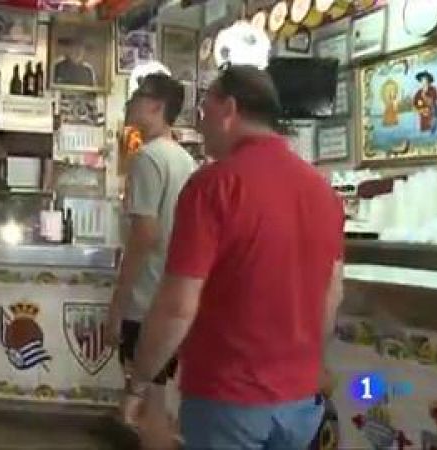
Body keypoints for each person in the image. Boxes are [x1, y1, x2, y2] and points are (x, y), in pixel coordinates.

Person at [128, 65, 345, 449]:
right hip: (300, 403)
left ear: (228, 108)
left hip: (227, 399)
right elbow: (331, 297)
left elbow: (178, 306)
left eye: (205, 110)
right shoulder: (321, 191)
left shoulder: (214, 185)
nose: (201, 123)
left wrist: (140, 381)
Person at [105, 74, 197, 443]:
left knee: (145, 402)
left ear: (157, 107)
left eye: (137, 98)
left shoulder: (146, 158)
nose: (130, 104)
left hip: (144, 301)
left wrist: (118, 303)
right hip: (172, 296)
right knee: (155, 398)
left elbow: (145, 236)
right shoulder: (185, 159)